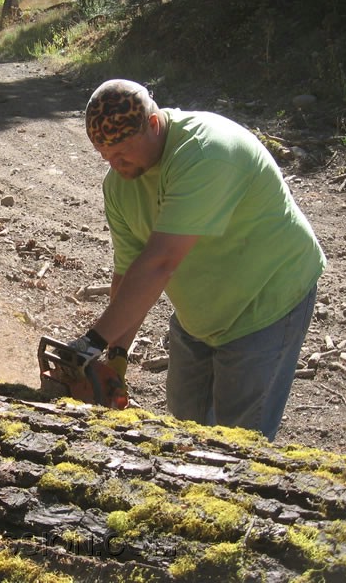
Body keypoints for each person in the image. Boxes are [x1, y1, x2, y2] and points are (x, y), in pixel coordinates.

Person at [70, 79, 326, 441]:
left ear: (153, 125)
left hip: (266, 299)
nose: (114, 164)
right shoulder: (119, 185)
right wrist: (116, 356)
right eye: (104, 155)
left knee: (239, 440)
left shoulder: (205, 153)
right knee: (185, 425)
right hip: (200, 314)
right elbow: (129, 273)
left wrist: (91, 342)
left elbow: (160, 262)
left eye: (122, 152)